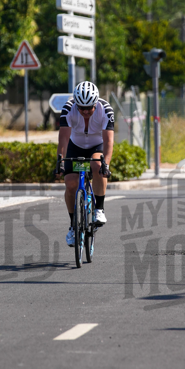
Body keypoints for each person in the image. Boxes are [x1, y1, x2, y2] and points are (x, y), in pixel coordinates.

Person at [57, 81, 114, 247]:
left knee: (97, 166)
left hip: (97, 145)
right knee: (70, 183)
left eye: (90, 107)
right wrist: (60, 161)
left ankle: (99, 210)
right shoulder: (68, 109)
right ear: (76, 104)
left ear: (96, 103)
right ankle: (73, 225)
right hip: (76, 147)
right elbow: (64, 139)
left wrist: (106, 164)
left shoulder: (106, 109)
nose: (86, 111)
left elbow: (108, 140)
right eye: (82, 108)